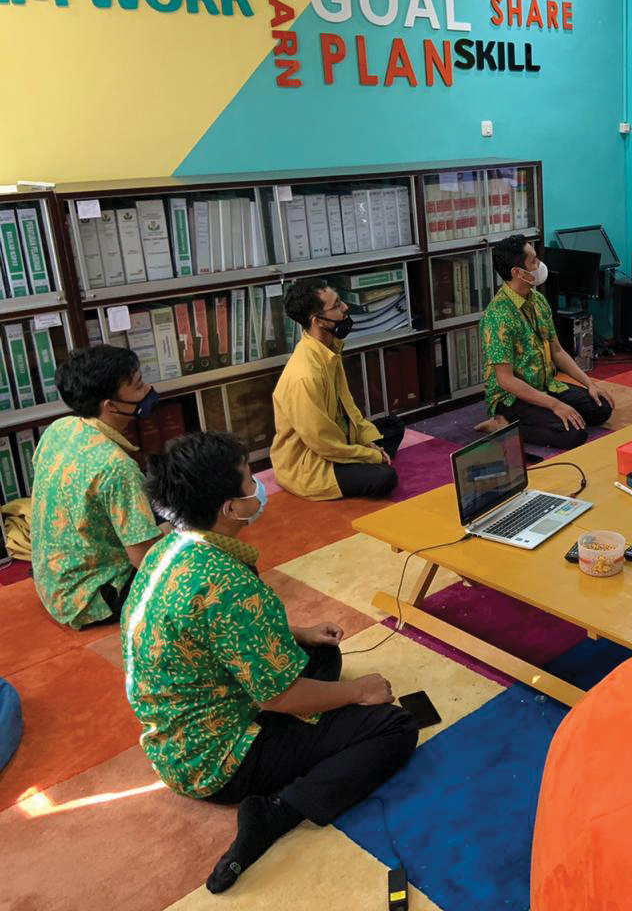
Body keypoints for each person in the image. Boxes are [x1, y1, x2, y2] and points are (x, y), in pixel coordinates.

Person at [122, 432, 416, 893]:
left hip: (177, 735)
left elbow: (214, 637)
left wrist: (297, 633)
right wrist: (361, 692)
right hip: (218, 760)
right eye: (247, 480)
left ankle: (294, 755)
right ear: (228, 508)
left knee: (322, 652)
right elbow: (280, 695)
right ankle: (279, 812)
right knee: (393, 728)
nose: (257, 485)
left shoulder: (168, 549)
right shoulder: (224, 583)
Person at [30, 346, 163, 628]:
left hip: (53, 582)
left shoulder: (59, 429)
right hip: (91, 599)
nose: (148, 389)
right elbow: (146, 561)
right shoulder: (116, 466)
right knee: (210, 556)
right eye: (138, 386)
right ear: (110, 405)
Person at [270, 278, 405, 500]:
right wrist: (368, 455)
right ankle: (372, 461)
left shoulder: (328, 349)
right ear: (318, 321)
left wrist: (366, 441)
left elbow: (348, 408)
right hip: (311, 463)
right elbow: (323, 443)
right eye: (336, 306)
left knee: (393, 425)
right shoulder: (304, 376)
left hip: (338, 440)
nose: (345, 308)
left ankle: (371, 456)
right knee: (385, 478)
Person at [478, 234, 614, 449]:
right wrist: (556, 405)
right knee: (574, 434)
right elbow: (506, 381)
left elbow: (557, 351)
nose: (539, 265)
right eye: (533, 261)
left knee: (601, 406)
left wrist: (590, 385)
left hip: (544, 385)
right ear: (517, 272)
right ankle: (502, 424)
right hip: (512, 398)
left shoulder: (538, 300)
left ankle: (540, 415)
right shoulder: (498, 316)